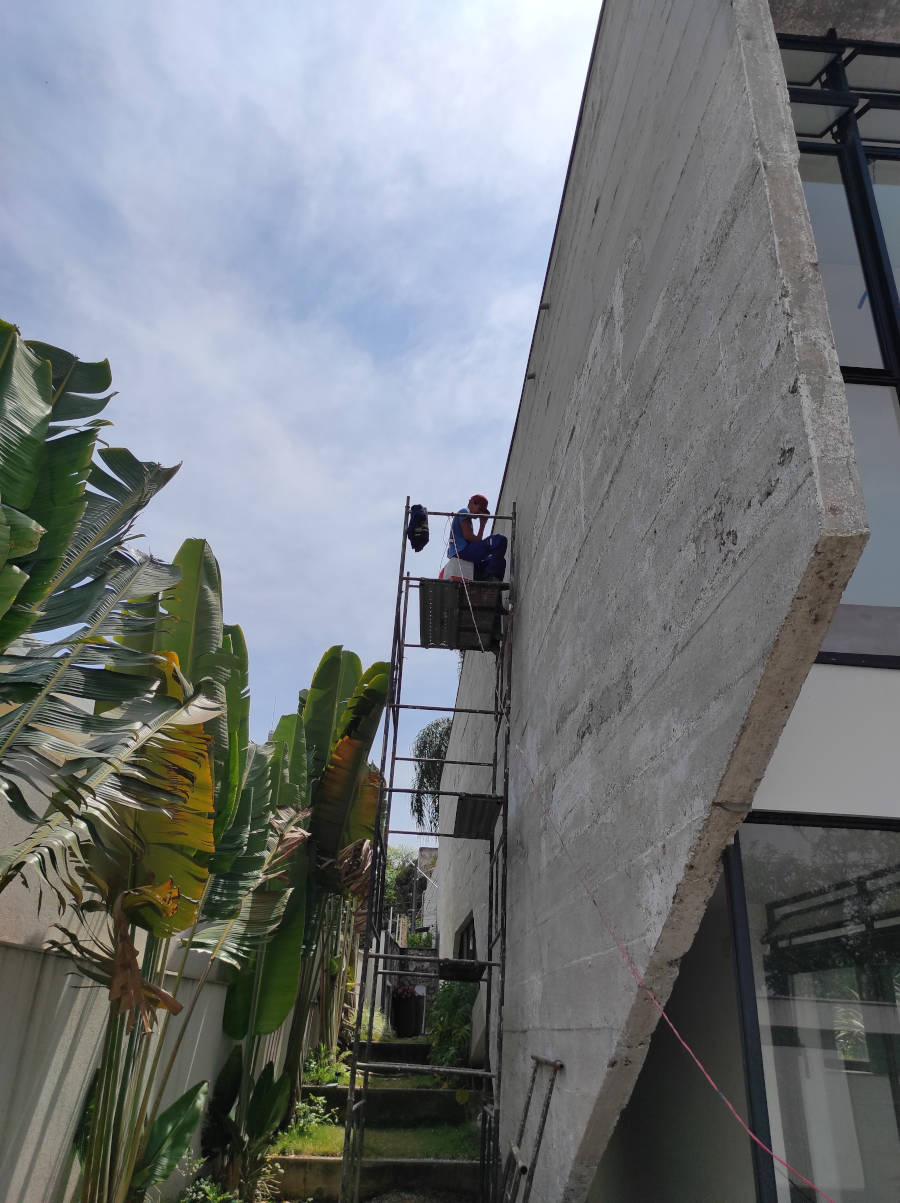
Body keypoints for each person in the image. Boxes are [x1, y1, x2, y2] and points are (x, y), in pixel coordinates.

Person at [447, 494, 508, 581]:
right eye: (480, 509)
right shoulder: (464, 511)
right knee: (499, 540)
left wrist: (482, 524)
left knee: (494, 561)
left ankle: (490, 581)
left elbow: (476, 541)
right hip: (461, 551)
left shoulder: (468, 518)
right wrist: (482, 525)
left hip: (464, 553)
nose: (479, 514)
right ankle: (492, 578)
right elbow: (469, 537)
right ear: (472, 503)